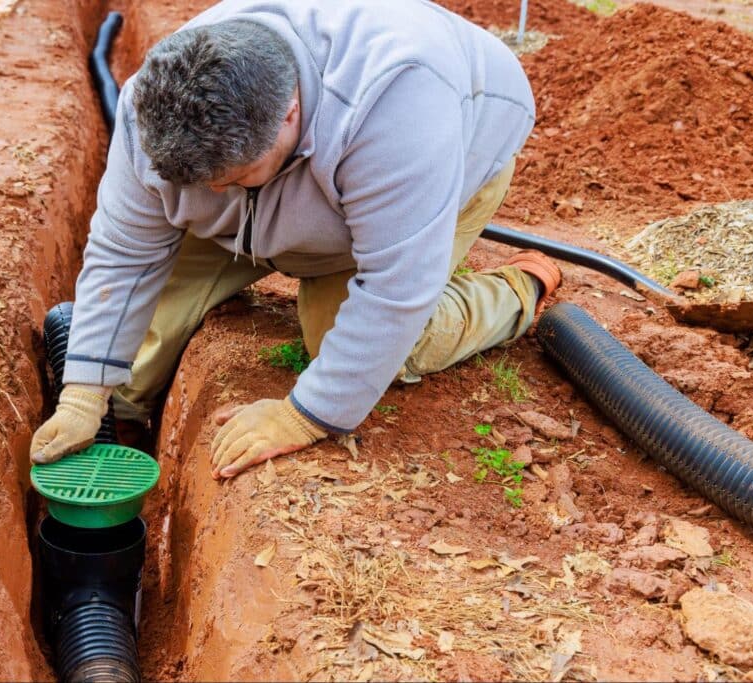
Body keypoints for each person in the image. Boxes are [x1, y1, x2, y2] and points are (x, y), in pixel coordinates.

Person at [29, 0, 561, 479]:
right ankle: (125, 422)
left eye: (232, 178)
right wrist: (82, 396)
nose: (214, 193)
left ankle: (517, 291)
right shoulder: (155, 102)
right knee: (140, 350)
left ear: (289, 114)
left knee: (368, 343)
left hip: (443, 160)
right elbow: (125, 253)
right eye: (199, 184)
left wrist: (304, 415)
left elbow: (395, 291)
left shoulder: (396, 107)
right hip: (279, 192)